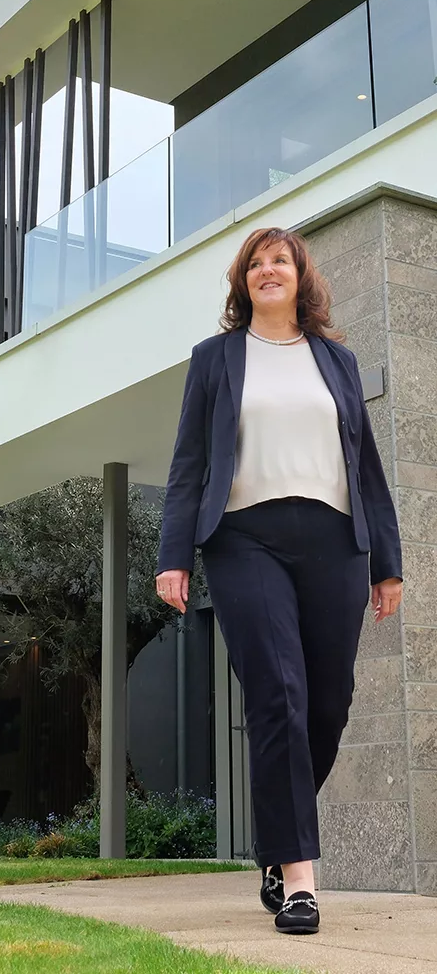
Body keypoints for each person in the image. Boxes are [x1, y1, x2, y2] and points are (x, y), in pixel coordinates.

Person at [155, 227, 402, 935]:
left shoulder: (336, 359)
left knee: (327, 704)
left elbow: (367, 468)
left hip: (333, 541)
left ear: (300, 278)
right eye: (255, 263)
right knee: (279, 696)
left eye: (280, 261)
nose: (268, 271)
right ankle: (298, 878)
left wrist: (386, 562)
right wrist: (173, 556)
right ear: (242, 282)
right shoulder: (215, 359)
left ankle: (274, 839)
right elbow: (187, 464)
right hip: (243, 538)